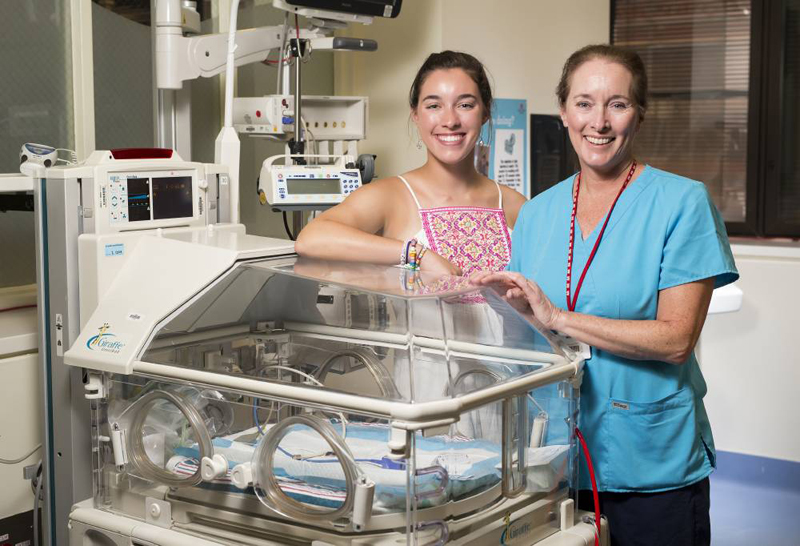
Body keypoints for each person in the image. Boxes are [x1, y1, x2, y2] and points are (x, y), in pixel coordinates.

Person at [473, 44, 738, 546]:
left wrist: (558, 316)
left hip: (651, 461)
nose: (599, 121)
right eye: (584, 103)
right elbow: (530, 337)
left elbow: (676, 340)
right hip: (555, 458)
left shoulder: (682, 203)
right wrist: (504, 306)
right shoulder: (538, 214)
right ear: (564, 112)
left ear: (639, 114)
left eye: (617, 104)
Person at [295, 50, 526, 277]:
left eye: (465, 105)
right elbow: (311, 239)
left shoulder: (514, 205)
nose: (450, 121)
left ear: (485, 112)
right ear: (416, 114)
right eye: (434, 106)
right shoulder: (390, 196)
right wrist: (416, 254)